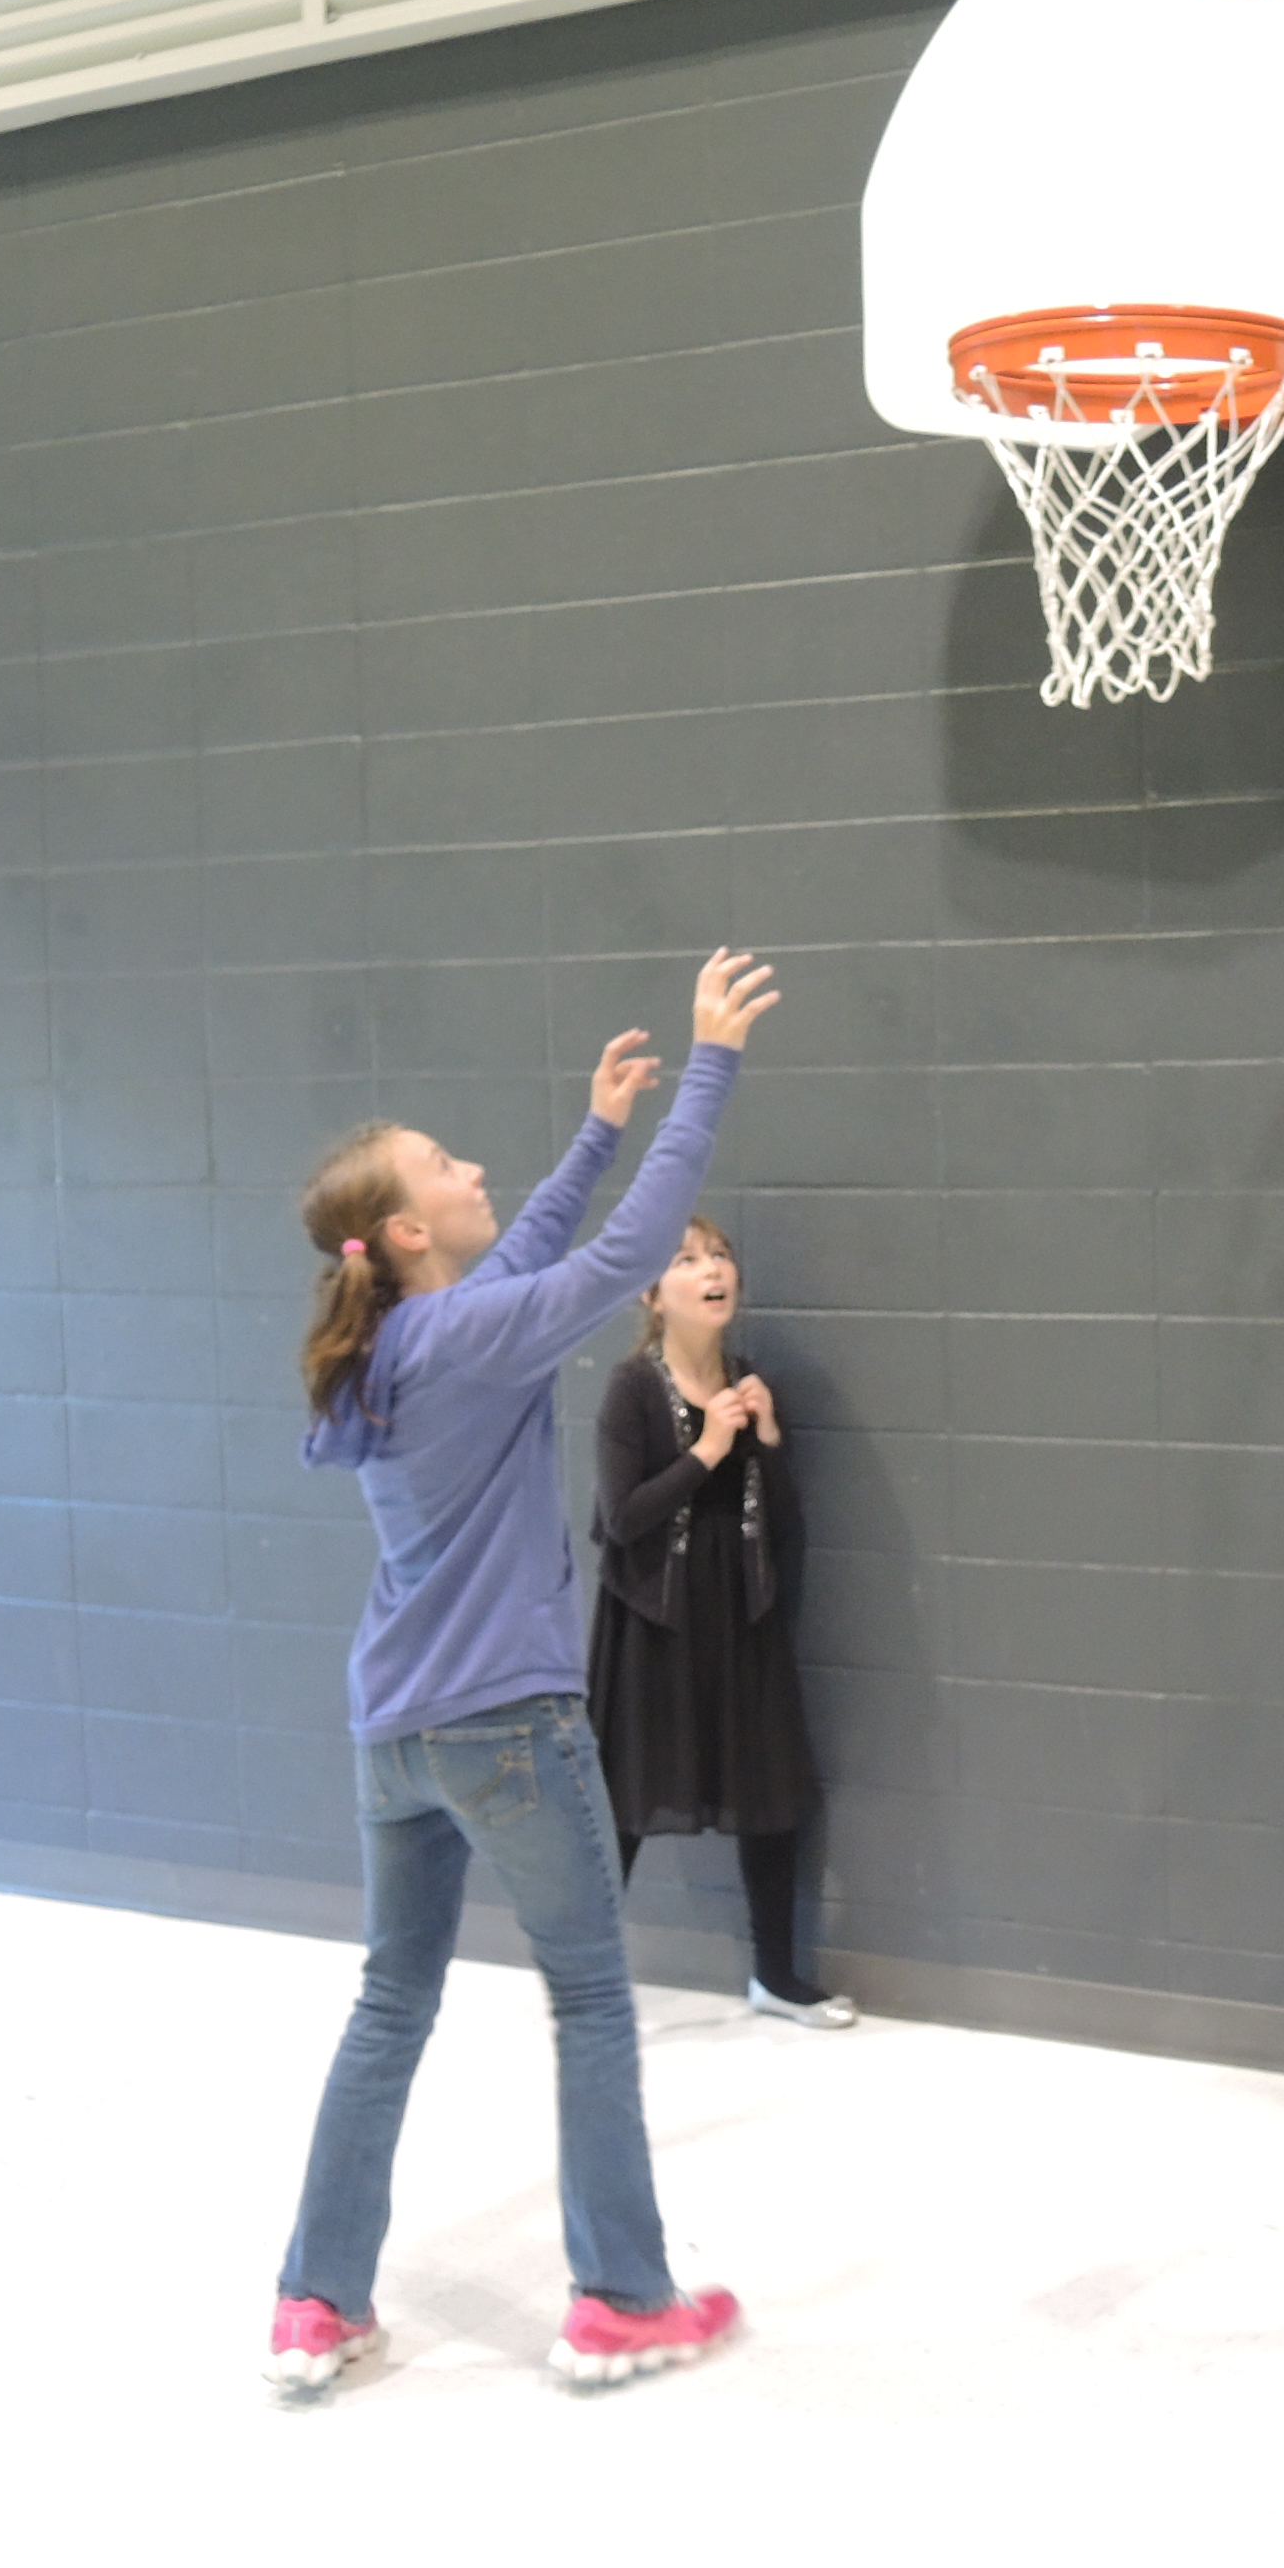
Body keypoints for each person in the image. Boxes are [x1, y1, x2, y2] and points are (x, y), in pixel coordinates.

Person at [264, 945, 779, 2399]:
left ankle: (316, 2300)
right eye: (444, 1163)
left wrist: (600, 1130)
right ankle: (621, 2296)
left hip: (395, 1734)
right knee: (594, 2000)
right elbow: (612, 1266)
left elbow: (536, 1257)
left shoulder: (390, 1347)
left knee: (390, 2003)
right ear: (407, 1228)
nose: (471, 1166)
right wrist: (709, 1070)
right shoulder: (466, 1338)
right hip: (506, 1723)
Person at [587, 1217, 852, 2027]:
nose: (713, 1271)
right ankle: (583, 1982)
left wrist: (766, 1439)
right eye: (687, 1260)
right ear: (651, 1294)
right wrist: (705, 1451)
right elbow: (621, 1518)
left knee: (769, 1789)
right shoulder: (632, 1387)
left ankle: (774, 1975)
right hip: (652, 1622)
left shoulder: (747, 1377)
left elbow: (783, 1522)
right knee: (624, 1800)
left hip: (739, 1611)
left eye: (722, 1255)